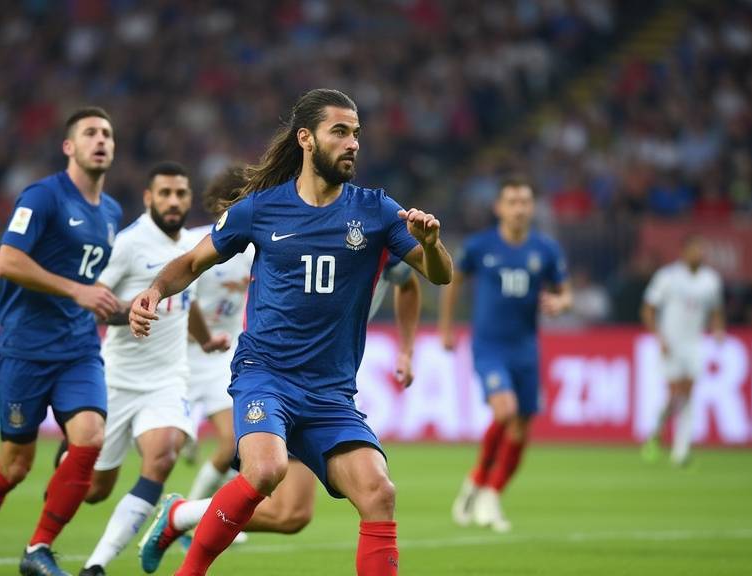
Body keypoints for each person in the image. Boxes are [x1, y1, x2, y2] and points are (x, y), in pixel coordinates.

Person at [128, 88, 452, 576]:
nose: (352, 144)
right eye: (339, 132)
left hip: (330, 393)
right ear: (306, 138)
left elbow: (439, 275)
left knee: (377, 492)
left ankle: (179, 516)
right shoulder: (261, 209)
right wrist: (154, 290)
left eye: (356, 134)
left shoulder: (378, 211)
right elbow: (193, 260)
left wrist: (431, 246)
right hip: (267, 375)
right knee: (264, 471)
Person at [136, 250, 421, 574]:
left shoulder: (378, 228)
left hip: (329, 385)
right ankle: (187, 552)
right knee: (265, 472)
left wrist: (407, 349)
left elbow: (410, 281)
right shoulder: (293, 219)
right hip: (276, 377)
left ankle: (181, 514)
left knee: (292, 515)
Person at [0, 107, 123, 576]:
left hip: (79, 348)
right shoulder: (43, 196)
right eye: (90, 133)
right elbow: (7, 260)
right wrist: (77, 291)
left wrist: (120, 310)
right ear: (70, 146)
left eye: (106, 134)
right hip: (24, 348)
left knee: (90, 439)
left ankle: (38, 549)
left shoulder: (111, 212)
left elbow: (89, 280)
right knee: (14, 465)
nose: (100, 140)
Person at [76, 162, 228, 576]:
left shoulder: (193, 246)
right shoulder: (129, 244)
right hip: (118, 381)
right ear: (148, 198)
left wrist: (205, 338)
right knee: (93, 491)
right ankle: (68, 454)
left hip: (167, 380)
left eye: (180, 194)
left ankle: (96, 565)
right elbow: (94, 301)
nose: (174, 201)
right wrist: (129, 314)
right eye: (165, 194)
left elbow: (188, 301)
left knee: (162, 459)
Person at [440, 176, 572, 533]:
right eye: (512, 201)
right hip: (489, 346)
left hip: (526, 348)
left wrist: (558, 302)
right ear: (499, 207)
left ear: (532, 208)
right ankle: (479, 479)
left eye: (525, 202)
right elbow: (453, 279)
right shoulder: (481, 246)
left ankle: (489, 493)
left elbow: (565, 292)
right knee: (506, 410)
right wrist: (447, 327)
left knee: (522, 426)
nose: (519, 208)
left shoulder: (545, 250)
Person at [177, 166, 255, 510]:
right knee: (162, 446)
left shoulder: (256, 249)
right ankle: (185, 433)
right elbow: (183, 300)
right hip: (181, 355)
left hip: (223, 357)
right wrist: (205, 337)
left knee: (235, 443)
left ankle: (188, 514)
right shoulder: (196, 242)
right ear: (223, 204)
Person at [640, 235, 724, 466]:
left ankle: (681, 451)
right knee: (677, 394)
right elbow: (648, 308)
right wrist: (659, 337)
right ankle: (657, 433)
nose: (699, 254)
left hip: (694, 344)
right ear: (684, 253)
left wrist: (718, 330)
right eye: (695, 250)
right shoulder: (668, 277)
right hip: (672, 342)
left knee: (688, 395)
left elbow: (716, 310)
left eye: (701, 249)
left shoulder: (711, 280)